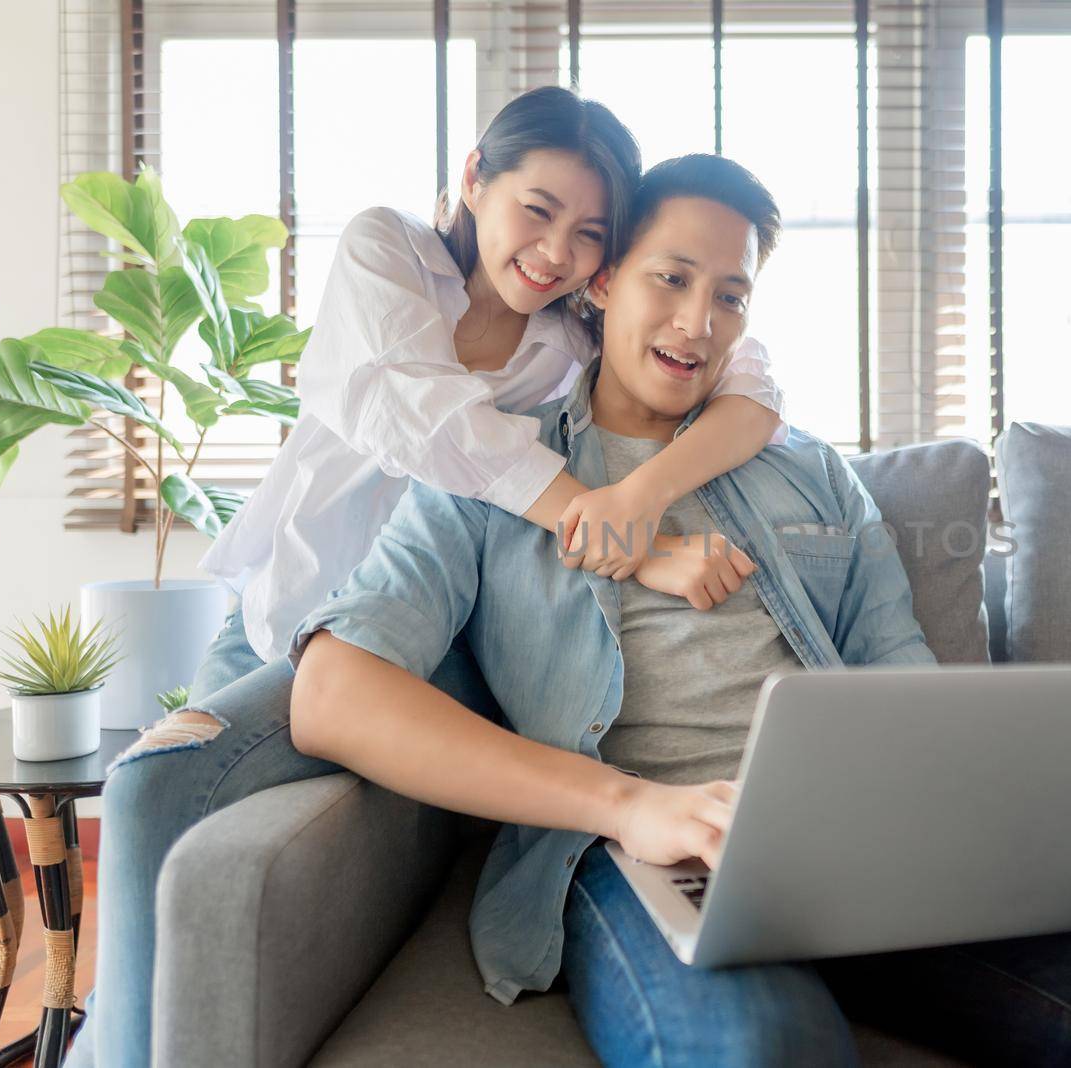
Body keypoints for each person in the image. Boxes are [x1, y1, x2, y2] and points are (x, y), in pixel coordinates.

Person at [286, 154, 1071, 1067]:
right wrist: (624, 805)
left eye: (732, 295)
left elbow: (893, 659)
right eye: (672, 279)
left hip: (878, 843)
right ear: (601, 283)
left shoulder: (808, 474)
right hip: (650, 856)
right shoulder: (495, 473)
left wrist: (975, 812)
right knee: (765, 1050)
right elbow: (331, 693)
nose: (699, 323)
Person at [67, 88, 786, 1067]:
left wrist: (644, 495)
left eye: (587, 234)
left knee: (162, 809)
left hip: (423, 651)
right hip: (284, 614)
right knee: (155, 793)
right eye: (536, 210)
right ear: (474, 178)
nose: (555, 253)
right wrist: (637, 545)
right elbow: (429, 422)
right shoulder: (388, 254)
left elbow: (750, 382)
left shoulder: (571, 342)